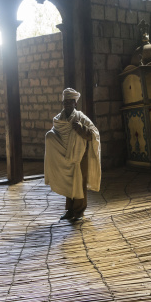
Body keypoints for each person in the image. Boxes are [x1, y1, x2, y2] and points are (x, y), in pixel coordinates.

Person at [44, 88, 101, 221]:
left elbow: (94, 133)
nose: (68, 104)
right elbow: (55, 135)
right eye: (65, 102)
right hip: (66, 156)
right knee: (69, 182)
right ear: (63, 103)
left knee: (79, 182)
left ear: (75, 103)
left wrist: (81, 129)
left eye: (70, 102)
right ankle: (70, 210)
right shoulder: (59, 119)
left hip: (80, 157)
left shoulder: (81, 117)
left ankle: (79, 211)